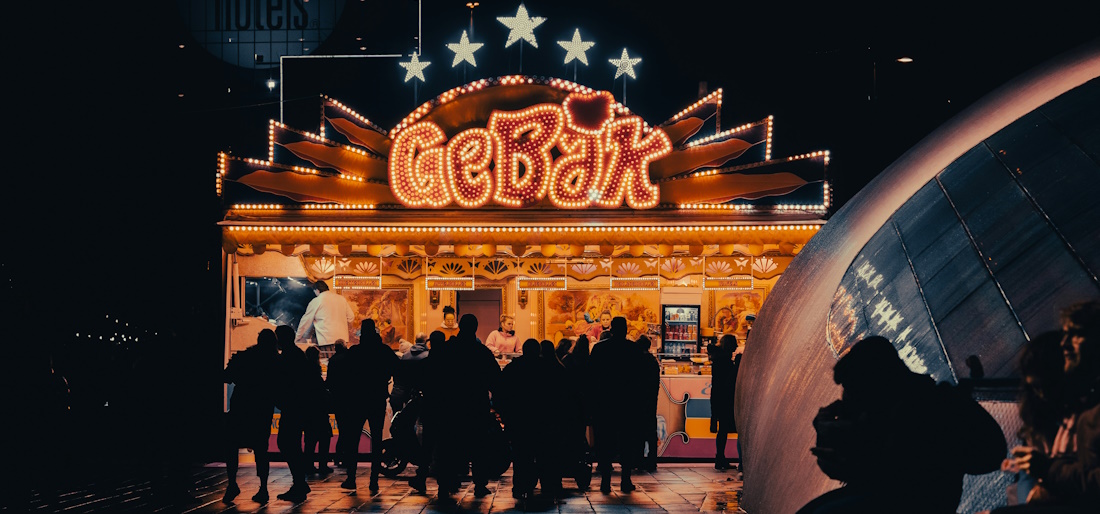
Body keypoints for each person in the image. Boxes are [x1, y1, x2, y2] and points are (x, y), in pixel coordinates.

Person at [797, 335, 1007, 514]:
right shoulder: (914, 404)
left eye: (851, 388)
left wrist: (838, 436)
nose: (846, 398)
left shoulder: (918, 415)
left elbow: (874, 477)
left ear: (875, 384)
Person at [991, 300, 1100, 513]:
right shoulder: (1073, 414)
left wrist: (1048, 472)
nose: (1064, 343)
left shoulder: (1084, 415)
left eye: (1075, 334)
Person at [424, 313, 501, 503]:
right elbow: (495, 380)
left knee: (448, 447)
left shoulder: (448, 349)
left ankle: (445, 484)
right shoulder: (481, 352)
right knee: (478, 447)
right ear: (474, 328)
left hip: (450, 406)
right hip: (476, 406)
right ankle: (480, 484)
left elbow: (434, 376)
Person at [328, 319, 399, 492]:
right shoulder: (384, 351)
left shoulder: (354, 352)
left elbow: (346, 375)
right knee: (376, 440)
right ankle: (373, 480)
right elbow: (396, 369)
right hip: (377, 399)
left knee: (353, 439)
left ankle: (351, 478)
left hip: (357, 400)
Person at [588, 316, 647, 493]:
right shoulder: (634, 349)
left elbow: (591, 377)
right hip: (628, 404)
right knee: (627, 442)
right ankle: (625, 479)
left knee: (604, 442)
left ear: (612, 329)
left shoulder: (599, 349)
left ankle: (605, 480)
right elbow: (640, 379)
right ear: (626, 329)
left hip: (605, 403)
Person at [222, 328, 279, 503]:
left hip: (241, 407)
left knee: (231, 447)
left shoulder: (244, 356)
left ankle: (232, 483)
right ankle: (263, 488)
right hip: (262, 410)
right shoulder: (275, 361)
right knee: (261, 450)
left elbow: (227, 376)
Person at [496, 339, 545, 501]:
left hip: (517, 418)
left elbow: (501, 392)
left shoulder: (513, 368)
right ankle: (533, 482)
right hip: (539, 417)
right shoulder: (544, 367)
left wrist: (503, 413)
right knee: (538, 451)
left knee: (520, 453)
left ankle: (519, 484)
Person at [274, 324, 313, 503]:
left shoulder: (288, 357)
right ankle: (299, 482)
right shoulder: (297, 355)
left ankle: (299, 483)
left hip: (292, 408)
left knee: (287, 443)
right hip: (299, 407)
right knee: (292, 444)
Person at [294, 280, 355, 358]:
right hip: (343, 341)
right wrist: (346, 329)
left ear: (317, 290)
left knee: (329, 366)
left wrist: (297, 338)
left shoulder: (316, 301)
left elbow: (305, 321)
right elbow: (351, 317)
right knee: (342, 365)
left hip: (327, 340)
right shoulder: (341, 299)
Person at [709, 334, 739, 471]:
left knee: (723, 429)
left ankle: (720, 457)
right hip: (724, 398)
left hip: (718, 397)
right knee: (725, 428)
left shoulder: (718, 358)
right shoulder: (724, 360)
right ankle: (720, 457)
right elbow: (729, 379)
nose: (737, 346)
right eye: (734, 344)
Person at [303, 346, 333, 476]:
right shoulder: (315, 371)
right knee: (324, 437)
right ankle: (322, 464)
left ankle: (308, 465)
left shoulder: (304, 370)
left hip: (308, 410)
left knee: (310, 440)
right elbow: (320, 389)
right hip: (319, 410)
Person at [636, 335, 661, 472]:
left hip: (638, 400)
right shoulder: (652, 361)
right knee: (651, 432)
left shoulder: (637, 360)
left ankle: (639, 459)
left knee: (639, 432)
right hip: (651, 400)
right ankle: (652, 460)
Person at [391, 332, 429, 413]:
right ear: (426, 341)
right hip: (420, 391)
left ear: (415, 340)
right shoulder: (427, 355)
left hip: (404, 391)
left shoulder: (406, 356)